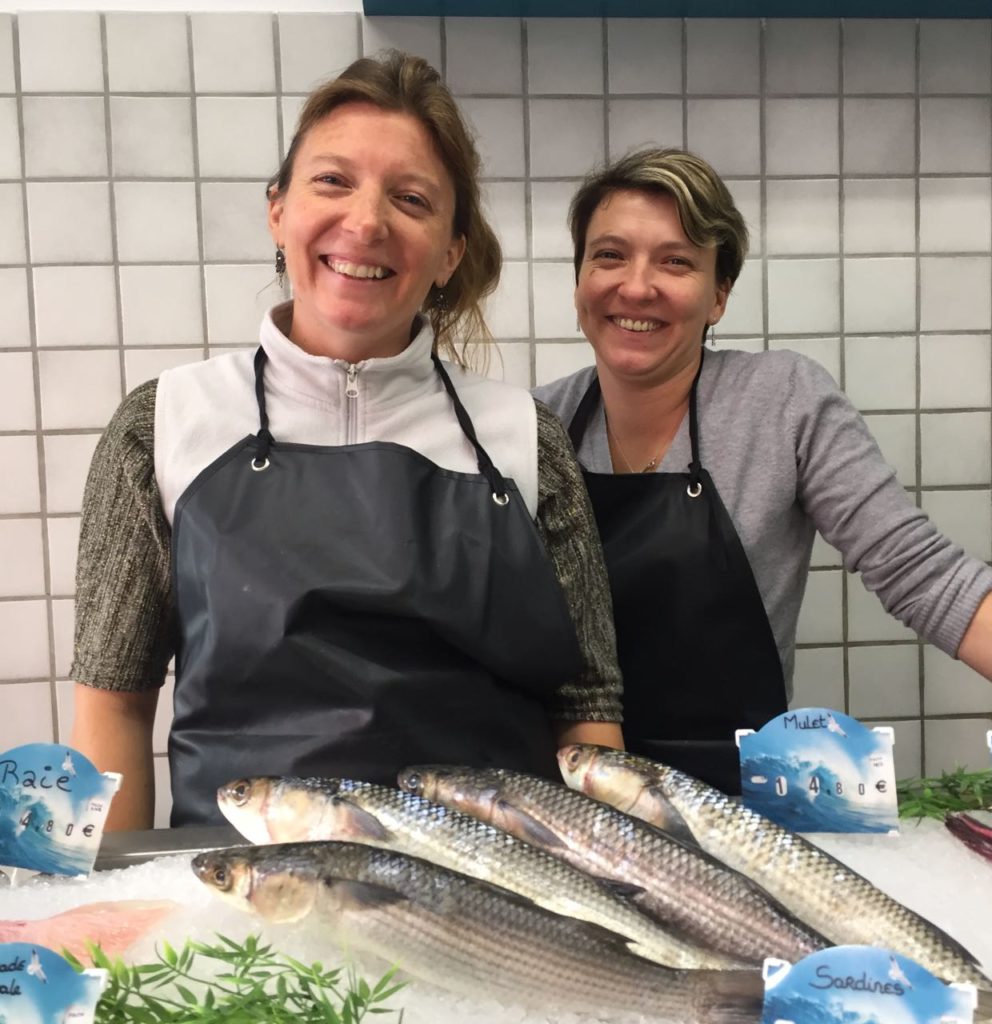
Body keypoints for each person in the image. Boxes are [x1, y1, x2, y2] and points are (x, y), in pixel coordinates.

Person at [70, 51, 623, 830]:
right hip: (248, 912)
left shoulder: (522, 438)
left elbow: (589, 714)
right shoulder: (161, 424)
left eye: (411, 198)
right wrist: (116, 912)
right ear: (278, 210)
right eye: (332, 182)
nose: (366, 222)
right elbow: (114, 706)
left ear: (451, 250)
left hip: (497, 912)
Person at [536, 148, 992, 794]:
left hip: (745, 811)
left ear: (719, 295)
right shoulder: (536, 426)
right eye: (609, 255)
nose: (636, 285)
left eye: (676, 260)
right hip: (575, 802)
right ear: (578, 284)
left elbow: (922, 573)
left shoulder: (782, 402)